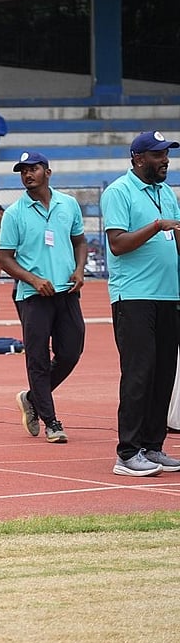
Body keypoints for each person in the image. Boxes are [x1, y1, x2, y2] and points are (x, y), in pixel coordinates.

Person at [101, 131, 180, 476]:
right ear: (138, 158)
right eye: (158, 154)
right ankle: (128, 452)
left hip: (169, 295)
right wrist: (156, 225)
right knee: (138, 374)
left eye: (167, 154)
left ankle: (153, 446)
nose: (165, 160)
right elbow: (118, 244)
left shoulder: (167, 193)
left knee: (164, 373)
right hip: (133, 296)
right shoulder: (119, 192)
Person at [0, 152, 86, 445]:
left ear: (48, 172)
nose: (27, 175)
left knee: (71, 352)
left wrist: (79, 269)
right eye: (22, 171)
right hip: (32, 297)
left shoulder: (68, 204)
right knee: (37, 358)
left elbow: (80, 241)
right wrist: (34, 280)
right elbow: (5, 259)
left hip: (67, 291)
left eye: (33, 169)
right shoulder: (14, 213)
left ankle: (32, 398)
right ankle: (51, 421)